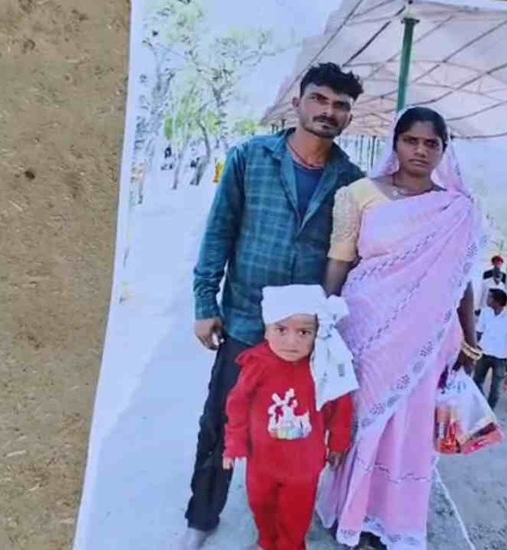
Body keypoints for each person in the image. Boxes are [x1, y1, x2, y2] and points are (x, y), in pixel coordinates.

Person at [182, 62, 365, 549]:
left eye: (340, 105)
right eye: (319, 99)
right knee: (222, 419)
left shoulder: (351, 182)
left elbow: (353, 256)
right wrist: (205, 301)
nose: (328, 111)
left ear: (348, 116)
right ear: (298, 102)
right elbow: (219, 232)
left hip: (306, 335)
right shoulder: (251, 158)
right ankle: (202, 516)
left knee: (294, 426)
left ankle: (279, 520)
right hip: (246, 319)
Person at [316, 107, 484, 549]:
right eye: (411, 140)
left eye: (431, 143)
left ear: (444, 151)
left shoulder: (456, 208)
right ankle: (350, 512)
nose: (420, 151)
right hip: (365, 329)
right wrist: (324, 320)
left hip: (426, 340)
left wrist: (470, 339)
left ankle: (390, 520)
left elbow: (461, 279)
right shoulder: (359, 194)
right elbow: (339, 260)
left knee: (409, 427)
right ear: (396, 143)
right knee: (360, 420)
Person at [222, 285, 354, 550]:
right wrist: (234, 443)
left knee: (296, 517)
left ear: (317, 333)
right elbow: (238, 404)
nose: (291, 342)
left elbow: (341, 405)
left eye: (303, 332)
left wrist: (338, 443)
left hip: (304, 468)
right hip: (262, 463)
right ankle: (267, 542)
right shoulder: (258, 363)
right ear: (266, 330)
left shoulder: (324, 366)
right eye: (281, 330)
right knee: (260, 505)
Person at [473, 288, 507, 408]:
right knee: (476, 381)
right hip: (484, 353)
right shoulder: (485, 312)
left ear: (497, 301)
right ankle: (483, 406)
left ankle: (490, 410)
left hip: (500, 357)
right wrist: (473, 350)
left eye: (490, 297)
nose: (487, 299)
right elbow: (478, 332)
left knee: (496, 389)